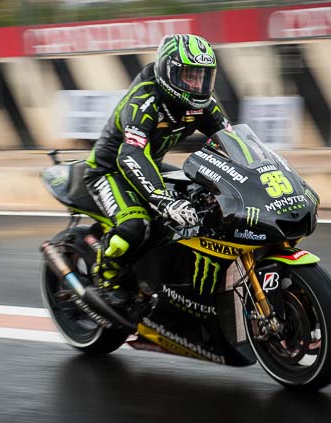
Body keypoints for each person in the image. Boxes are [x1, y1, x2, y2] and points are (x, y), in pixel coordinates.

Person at [84, 34, 231, 301]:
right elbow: (131, 154)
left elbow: (231, 142)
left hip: (150, 162)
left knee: (203, 199)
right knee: (135, 227)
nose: (197, 85)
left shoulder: (203, 104)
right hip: (110, 170)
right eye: (189, 76)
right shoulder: (144, 100)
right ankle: (106, 277)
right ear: (167, 71)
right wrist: (162, 200)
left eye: (202, 76)